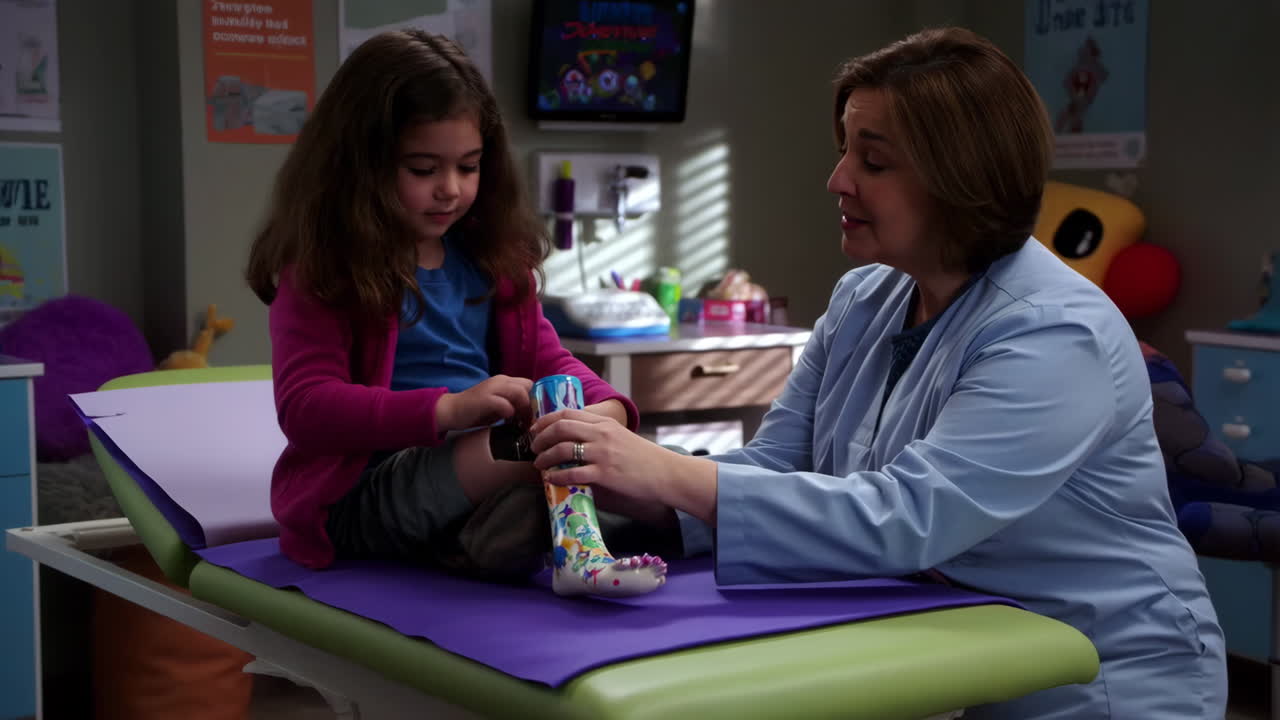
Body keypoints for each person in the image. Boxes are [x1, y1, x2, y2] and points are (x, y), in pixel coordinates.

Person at [529, 27, 1226, 718]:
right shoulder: (865, 298)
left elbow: (908, 518)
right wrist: (627, 486)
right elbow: (777, 466)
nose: (837, 181)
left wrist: (666, 472)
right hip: (956, 657)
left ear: (962, 179)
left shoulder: (1055, 331)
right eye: (843, 152)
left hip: (1103, 675)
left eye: (874, 161)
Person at [245, 30, 667, 597]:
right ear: (360, 165)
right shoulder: (325, 268)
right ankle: (567, 541)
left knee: (646, 465)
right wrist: (446, 411)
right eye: (423, 170)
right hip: (364, 493)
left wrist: (606, 410)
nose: (450, 189)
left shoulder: (490, 259)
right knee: (520, 451)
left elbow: (549, 359)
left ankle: (514, 533)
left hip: (483, 477)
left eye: (468, 168)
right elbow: (306, 407)